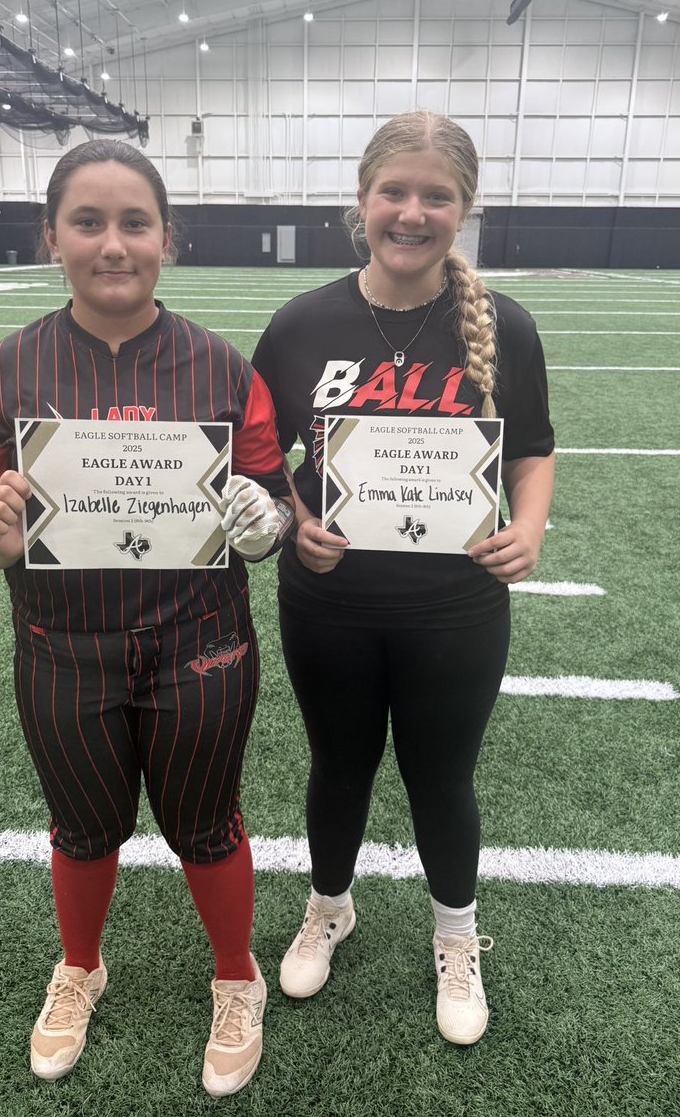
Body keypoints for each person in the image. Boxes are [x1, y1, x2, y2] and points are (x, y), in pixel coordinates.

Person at [0, 139, 293, 1098]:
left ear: (166, 239)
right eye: (87, 222)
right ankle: (80, 968)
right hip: (62, 646)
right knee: (83, 828)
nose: (112, 244)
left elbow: (278, 507)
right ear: (50, 235)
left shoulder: (223, 368)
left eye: (134, 222)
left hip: (203, 645)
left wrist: (266, 524)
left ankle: (237, 975)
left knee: (207, 824)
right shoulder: (3, 371)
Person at [251, 110, 555, 1046]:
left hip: (456, 605)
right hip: (329, 601)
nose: (412, 212)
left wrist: (531, 530)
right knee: (338, 767)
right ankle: (329, 907)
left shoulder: (503, 325)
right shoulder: (303, 322)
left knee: (441, 777)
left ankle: (456, 937)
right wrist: (297, 524)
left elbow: (533, 451)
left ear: (463, 209)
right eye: (395, 191)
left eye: (436, 196)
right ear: (362, 200)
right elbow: (261, 459)